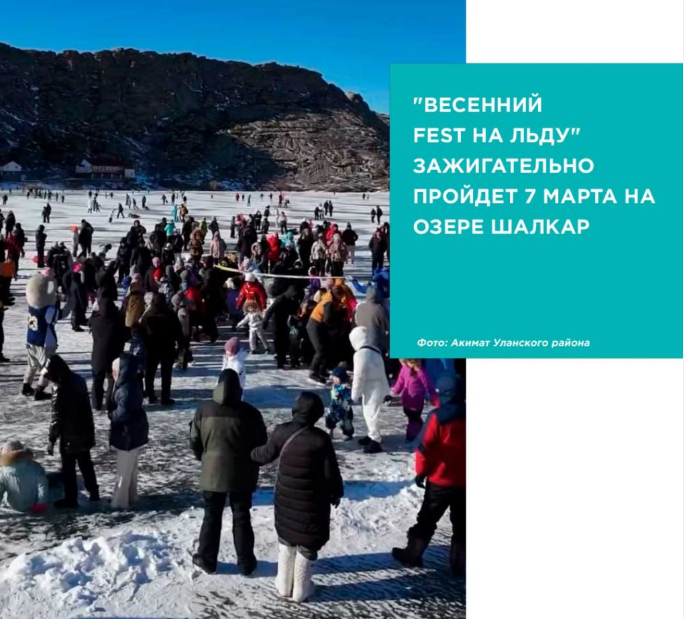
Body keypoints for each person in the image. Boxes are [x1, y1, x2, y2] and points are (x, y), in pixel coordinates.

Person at [251, 392, 344, 603]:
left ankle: (283, 585)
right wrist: (336, 492)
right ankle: (301, 590)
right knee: (306, 544)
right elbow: (331, 472)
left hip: (286, 498)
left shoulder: (281, 431)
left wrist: (242, 450)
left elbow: (263, 456)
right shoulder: (320, 439)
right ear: (316, 414)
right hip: (313, 501)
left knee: (287, 540)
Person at [190, 369, 267, 575]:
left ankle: (207, 559)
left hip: (212, 471)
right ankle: (246, 562)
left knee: (212, 514)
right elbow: (261, 443)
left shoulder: (204, 410)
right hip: (242, 473)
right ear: (239, 387)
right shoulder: (251, 413)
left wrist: (205, 458)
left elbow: (194, 441)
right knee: (241, 516)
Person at [392, 374, 466, 577]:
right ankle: (458, 564)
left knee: (427, 519)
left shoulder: (437, 417)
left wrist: (421, 473)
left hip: (441, 480)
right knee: (462, 524)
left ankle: (412, 554)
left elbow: (424, 449)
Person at [46, 355, 99, 508]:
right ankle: (94, 492)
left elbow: (56, 418)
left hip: (69, 435)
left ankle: (71, 498)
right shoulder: (78, 380)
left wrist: (52, 440)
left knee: (68, 468)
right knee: (86, 463)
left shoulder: (58, 387)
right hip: (85, 429)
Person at [108, 354, 149, 509]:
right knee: (130, 470)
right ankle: (131, 496)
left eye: (115, 370)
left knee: (123, 472)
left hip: (127, 436)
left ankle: (119, 503)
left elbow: (123, 413)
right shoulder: (130, 385)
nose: (113, 373)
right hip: (133, 434)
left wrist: (111, 414)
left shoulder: (126, 389)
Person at [349, 326, 390, 454]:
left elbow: (359, 376)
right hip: (379, 384)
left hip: (371, 387)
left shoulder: (360, 354)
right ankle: (371, 434)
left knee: (371, 413)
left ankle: (375, 440)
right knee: (370, 412)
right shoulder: (375, 350)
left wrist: (354, 395)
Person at [140, 293, 184, 405]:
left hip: (151, 348)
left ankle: (150, 395)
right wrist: (181, 345)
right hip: (168, 348)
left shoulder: (149, 315)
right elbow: (178, 331)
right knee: (166, 374)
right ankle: (165, 397)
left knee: (149, 373)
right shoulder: (170, 314)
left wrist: (146, 342)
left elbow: (141, 331)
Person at [89, 291, 126, 411]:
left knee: (97, 380)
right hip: (114, 355)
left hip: (98, 355)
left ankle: (96, 404)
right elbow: (125, 335)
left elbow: (90, 322)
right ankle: (110, 404)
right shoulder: (118, 320)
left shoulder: (96, 320)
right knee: (112, 380)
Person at [391, 359, 436, 442]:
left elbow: (428, 385)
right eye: (409, 362)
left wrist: (433, 396)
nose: (411, 364)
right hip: (408, 401)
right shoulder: (405, 369)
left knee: (414, 419)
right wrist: (393, 392)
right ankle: (414, 436)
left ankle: (417, 434)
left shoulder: (420, 372)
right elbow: (400, 383)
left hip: (415, 401)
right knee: (413, 419)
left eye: (413, 362)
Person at [0, 440, 48, 513]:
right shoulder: (35, 467)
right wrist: (41, 504)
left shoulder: (3, 471)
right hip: (32, 504)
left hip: (13, 506)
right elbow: (42, 487)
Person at [354, 287, 389, 353]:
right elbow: (388, 325)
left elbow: (356, 322)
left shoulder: (360, 307)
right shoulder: (379, 309)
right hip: (376, 344)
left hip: (362, 341)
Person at [325, 365, 354, 440]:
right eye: (333, 377)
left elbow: (347, 399)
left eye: (336, 378)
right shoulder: (335, 385)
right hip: (334, 405)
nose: (334, 379)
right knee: (329, 419)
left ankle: (347, 433)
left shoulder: (346, 388)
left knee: (346, 422)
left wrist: (343, 409)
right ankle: (330, 431)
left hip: (344, 407)